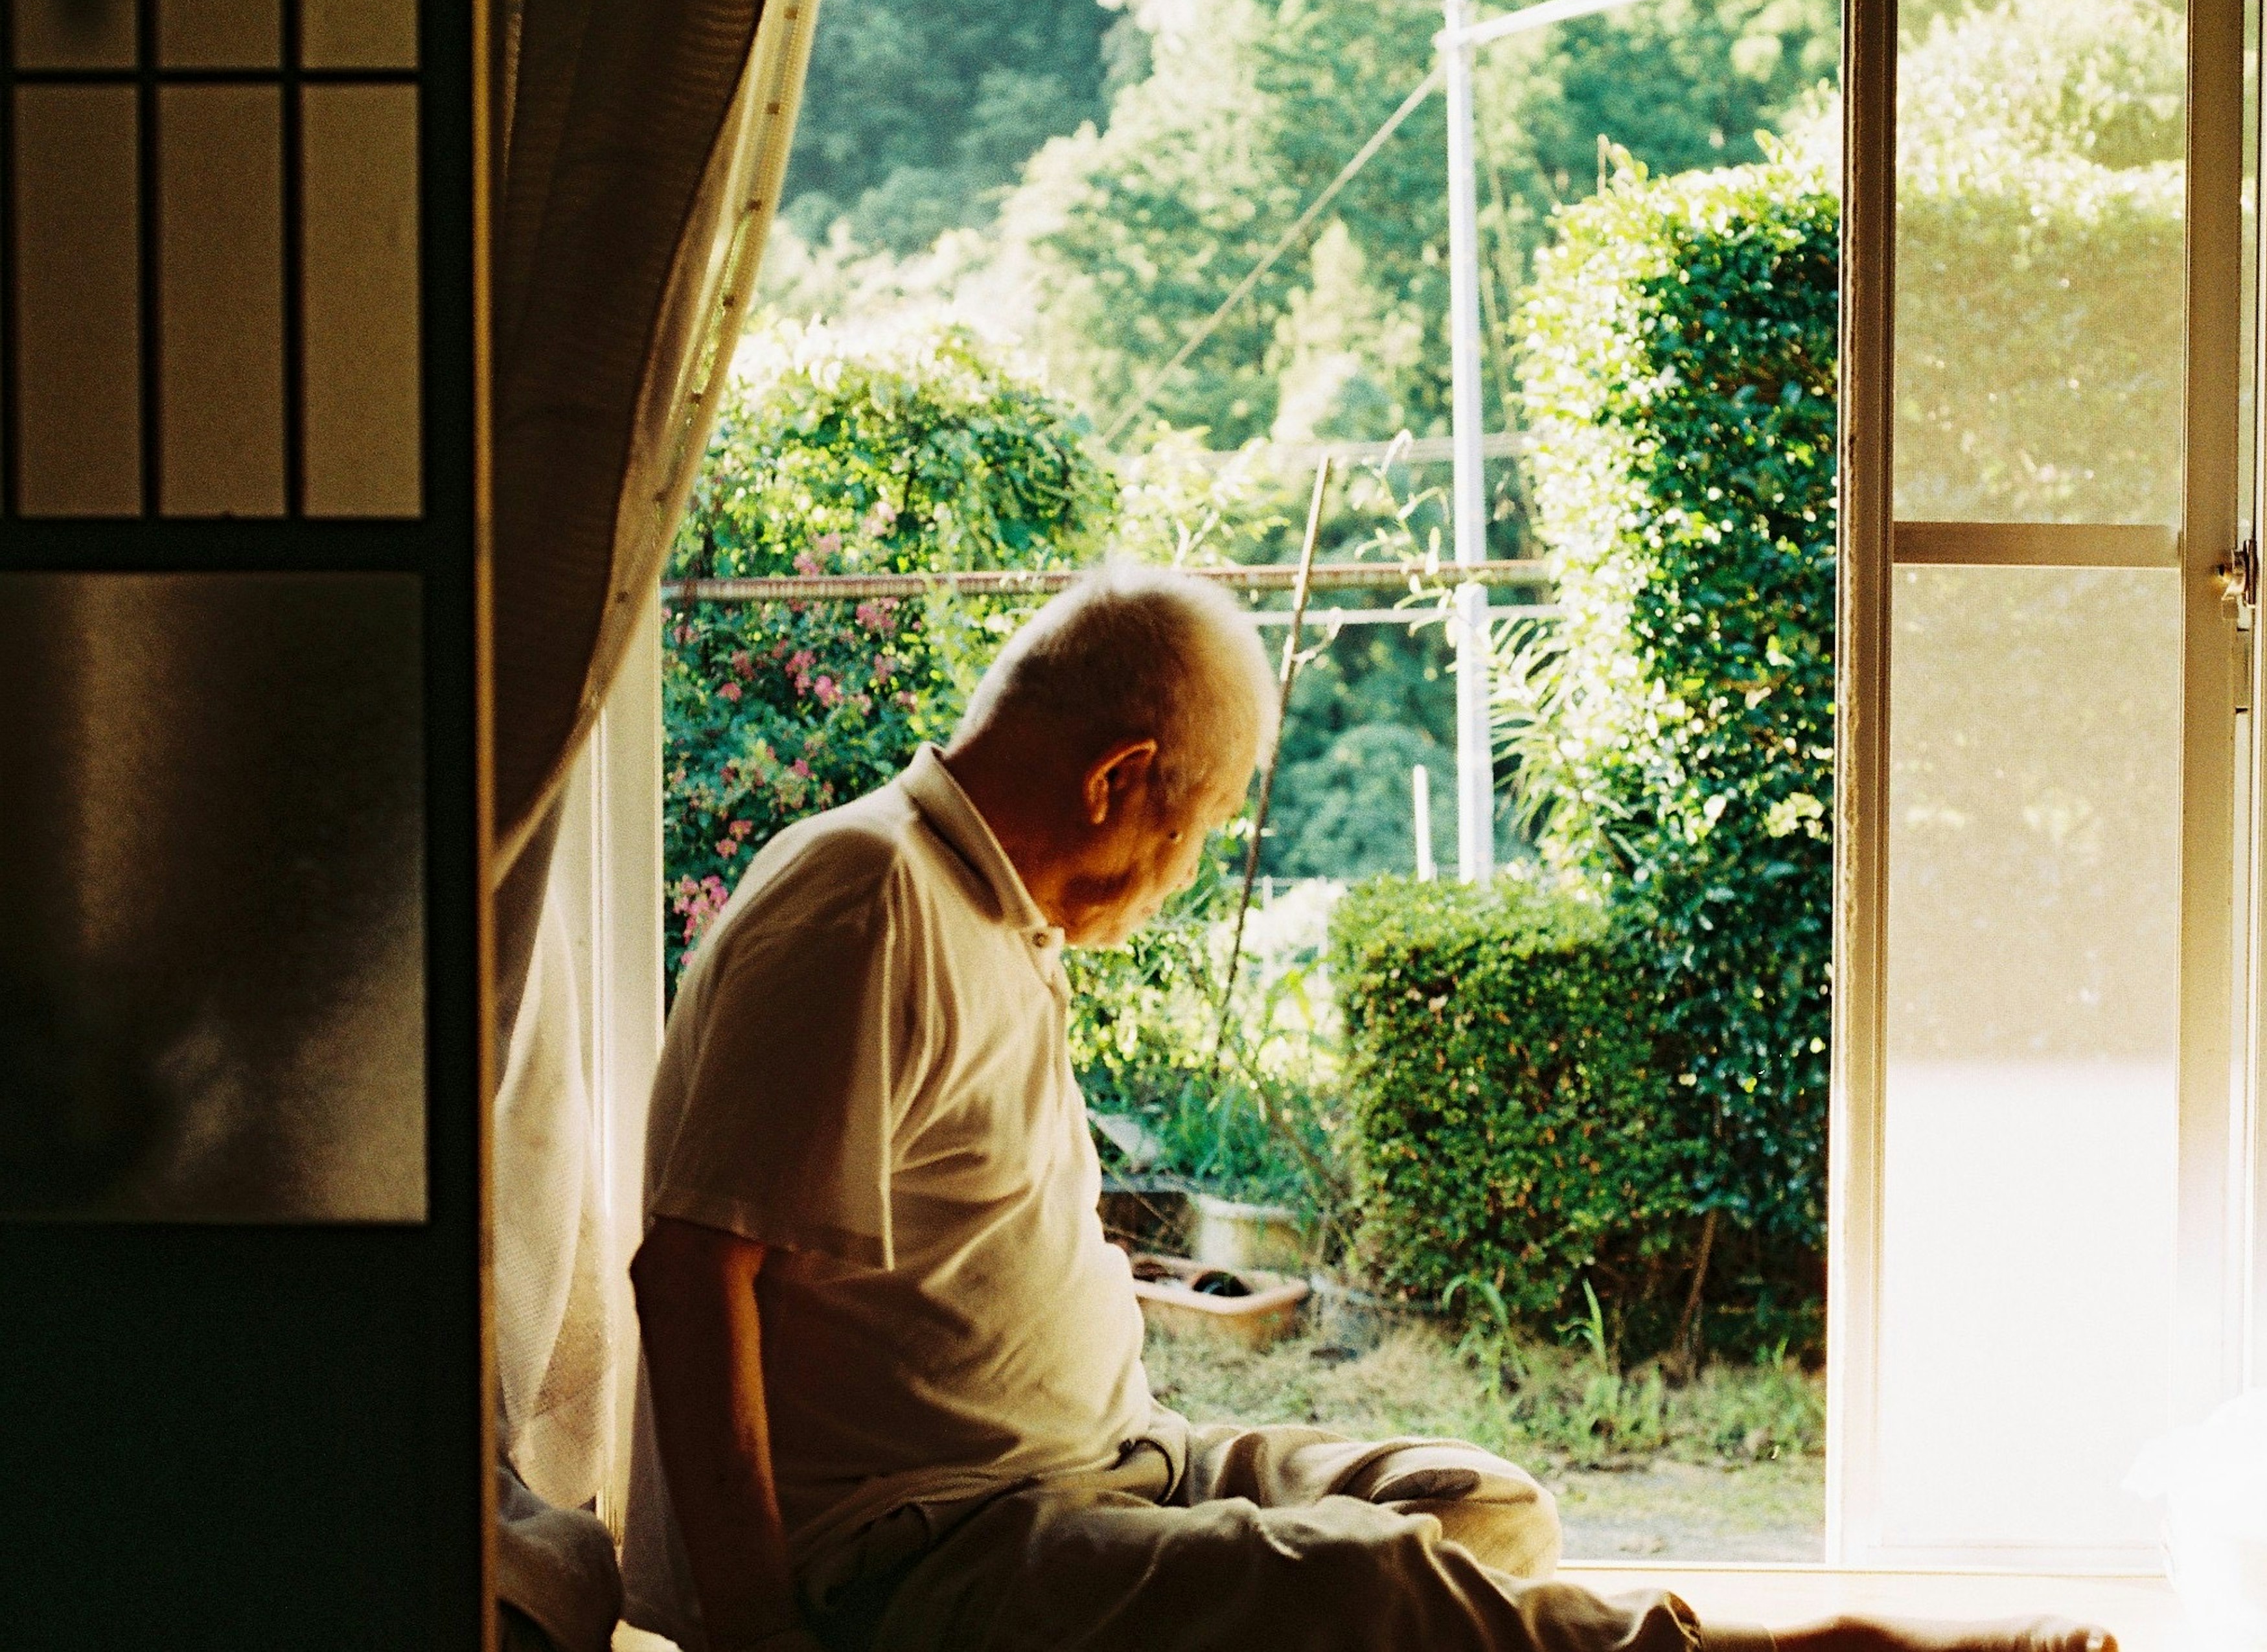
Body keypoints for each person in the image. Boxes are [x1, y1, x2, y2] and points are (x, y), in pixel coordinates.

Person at [623, 566, 2117, 1652]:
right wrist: (762, 1643)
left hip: (1112, 1464)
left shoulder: (986, 911)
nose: (1190, 869)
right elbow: (693, 1273)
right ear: (1120, 778)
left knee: (1481, 1511)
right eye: (1196, 829)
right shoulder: (865, 900)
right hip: (935, 1543)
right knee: (1385, 1597)